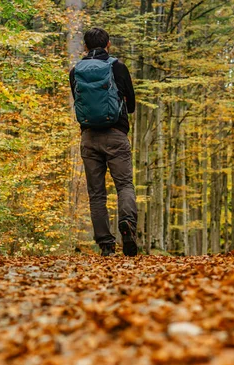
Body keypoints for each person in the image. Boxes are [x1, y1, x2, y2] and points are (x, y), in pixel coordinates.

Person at [69, 27, 138, 257]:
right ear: (108, 44)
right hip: (116, 134)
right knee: (124, 186)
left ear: (85, 47)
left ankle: (106, 245)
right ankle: (127, 226)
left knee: (97, 193)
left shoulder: (75, 70)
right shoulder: (117, 66)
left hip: (89, 137)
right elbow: (131, 105)